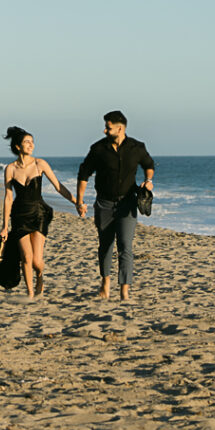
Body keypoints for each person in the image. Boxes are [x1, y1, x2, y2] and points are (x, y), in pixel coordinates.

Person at [76, 110, 155, 301]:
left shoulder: (137, 147)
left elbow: (149, 164)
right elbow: (84, 174)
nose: (105, 131)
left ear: (120, 128)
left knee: (125, 246)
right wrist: (79, 201)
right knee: (105, 245)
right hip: (103, 203)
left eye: (108, 127)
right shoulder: (98, 149)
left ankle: (124, 291)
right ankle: (105, 284)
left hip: (127, 203)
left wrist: (148, 180)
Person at [0, 126, 85, 299]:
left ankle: (40, 276)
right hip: (19, 216)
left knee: (37, 261)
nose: (31, 145)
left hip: (39, 214)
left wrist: (76, 202)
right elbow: (8, 198)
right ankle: (30, 294)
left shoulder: (40, 164)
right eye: (27, 142)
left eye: (32, 142)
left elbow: (59, 187)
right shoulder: (10, 169)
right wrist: (4, 226)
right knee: (26, 257)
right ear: (18, 146)